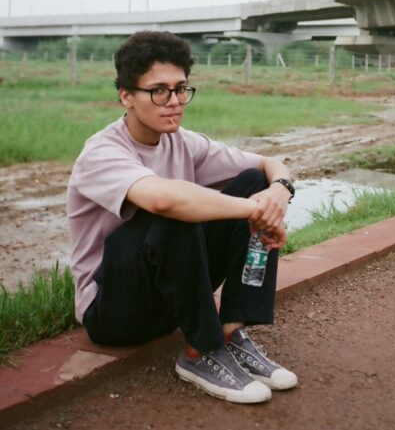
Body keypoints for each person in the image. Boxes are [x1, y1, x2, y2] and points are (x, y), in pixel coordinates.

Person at [67, 31, 298, 404]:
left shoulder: (184, 141)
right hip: (113, 311)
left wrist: (278, 192)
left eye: (181, 89)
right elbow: (162, 199)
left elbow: (267, 163)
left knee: (253, 182)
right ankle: (199, 351)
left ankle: (227, 331)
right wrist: (257, 211)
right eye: (159, 91)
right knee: (175, 209)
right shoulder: (101, 152)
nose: (174, 102)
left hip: (171, 301)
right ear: (126, 95)